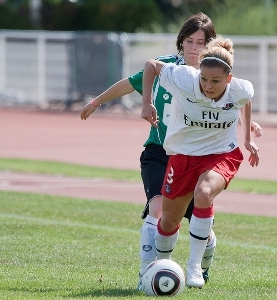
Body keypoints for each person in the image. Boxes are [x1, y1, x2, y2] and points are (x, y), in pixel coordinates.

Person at [80, 12, 262, 290]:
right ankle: (147, 274)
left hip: (207, 153)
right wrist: (98, 102)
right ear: (182, 42)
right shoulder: (172, 71)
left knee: (202, 216)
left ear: (210, 47)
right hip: (163, 152)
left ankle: (199, 267)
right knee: (160, 214)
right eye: (189, 41)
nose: (194, 47)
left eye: (201, 42)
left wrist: (247, 130)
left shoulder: (221, 79)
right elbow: (132, 82)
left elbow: (231, 100)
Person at [140, 36, 260, 288]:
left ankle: (194, 267)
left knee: (204, 192)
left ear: (229, 79)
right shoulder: (183, 77)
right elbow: (151, 65)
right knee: (169, 221)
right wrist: (146, 104)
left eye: (215, 81)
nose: (207, 85)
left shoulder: (241, 88)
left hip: (220, 153)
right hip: (182, 155)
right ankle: (159, 269)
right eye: (204, 79)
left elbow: (245, 99)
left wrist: (247, 138)